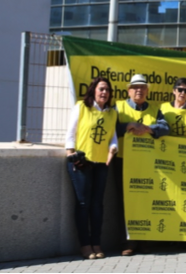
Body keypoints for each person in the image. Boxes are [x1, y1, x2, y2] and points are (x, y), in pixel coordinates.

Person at [115, 73, 170, 256]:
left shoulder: (155, 109)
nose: (139, 90)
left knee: (146, 201)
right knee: (125, 203)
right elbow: (112, 128)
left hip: (147, 163)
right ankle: (128, 242)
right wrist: (128, 125)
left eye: (142, 88)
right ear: (129, 91)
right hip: (123, 162)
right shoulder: (119, 107)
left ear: (147, 91)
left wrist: (148, 129)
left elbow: (165, 128)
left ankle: (145, 242)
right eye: (135, 88)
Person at [65, 77, 118, 260]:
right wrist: (71, 156)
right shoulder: (81, 107)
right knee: (83, 204)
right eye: (101, 89)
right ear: (93, 90)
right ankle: (85, 245)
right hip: (82, 162)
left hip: (101, 163)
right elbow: (70, 133)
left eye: (107, 90)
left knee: (97, 206)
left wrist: (113, 148)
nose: (104, 93)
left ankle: (96, 243)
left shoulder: (112, 113)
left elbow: (113, 137)